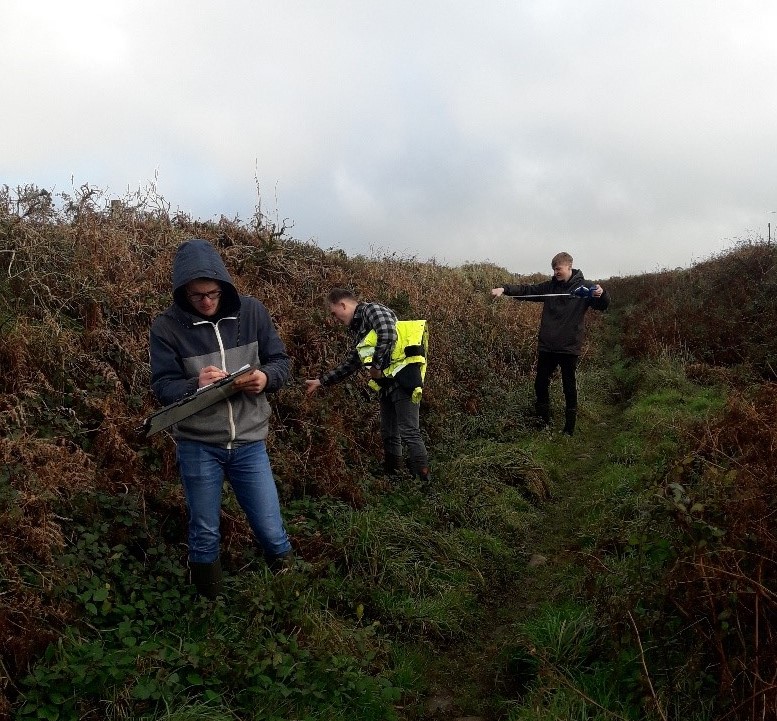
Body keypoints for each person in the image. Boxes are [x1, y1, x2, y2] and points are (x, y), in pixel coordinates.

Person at [149, 238, 293, 599]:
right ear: (183, 292)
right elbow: (163, 386)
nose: (207, 302)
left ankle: (292, 587)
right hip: (198, 443)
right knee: (204, 529)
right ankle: (208, 608)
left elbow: (281, 361)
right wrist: (193, 384)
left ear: (223, 285)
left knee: (270, 525)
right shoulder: (166, 327)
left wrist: (266, 378)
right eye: (197, 296)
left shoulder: (252, 312)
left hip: (249, 442)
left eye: (212, 293)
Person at [304, 289, 430, 483]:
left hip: (404, 377)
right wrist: (322, 381)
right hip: (388, 383)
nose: (334, 318)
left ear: (343, 305)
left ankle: (423, 482)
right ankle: (394, 478)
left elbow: (388, 333)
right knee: (389, 432)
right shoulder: (359, 329)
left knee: (409, 431)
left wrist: (377, 366)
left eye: (333, 312)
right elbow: (352, 363)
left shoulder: (371, 310)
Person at [491, 251, 609, 435]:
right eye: (554, 269)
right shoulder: (550, 287)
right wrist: (504, 289)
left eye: (558, 269)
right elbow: (527, 291)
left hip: (569, 346)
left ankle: (569, 428)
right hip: (547, 345)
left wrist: (601, 294)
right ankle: (542, 422)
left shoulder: (586, 288)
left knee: (568, 386)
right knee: (540, 383)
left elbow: (603, 305)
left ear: (569, 267)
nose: (555, 272)